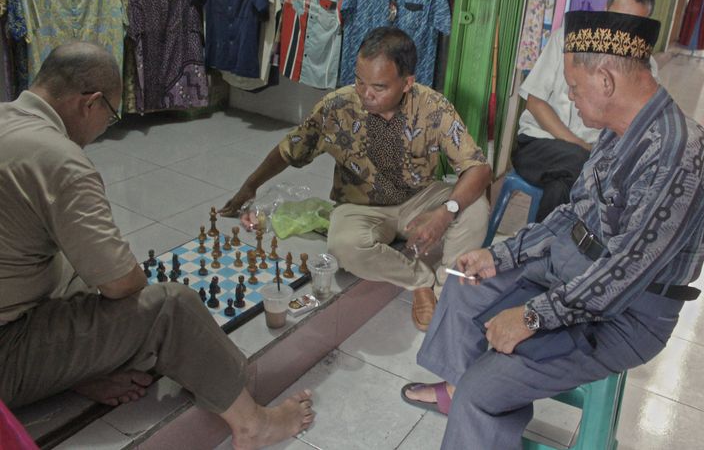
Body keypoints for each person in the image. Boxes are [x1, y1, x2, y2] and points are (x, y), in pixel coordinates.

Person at [401, 11, 704, 449]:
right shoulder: (619, 130)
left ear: (605, 80)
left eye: (573, 86)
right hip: (575, 270)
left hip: (628, 313)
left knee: (482, 390)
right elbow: (574, 213)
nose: (569, 98)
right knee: (466, 282)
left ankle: (474, 401)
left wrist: (531, 317)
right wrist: (501, 255)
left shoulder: (677, 156)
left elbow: (623, 274)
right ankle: (467, 403)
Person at [0, 42, 314, 450]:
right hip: (9, 352)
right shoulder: (59, 159)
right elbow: (122, 285)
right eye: (111, 115)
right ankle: (253, 423)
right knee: (170, 307)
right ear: (90, 103)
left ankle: (77, 373)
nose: (105, 128)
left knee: (72, 264)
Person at [221, 27, 492, 331]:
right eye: (360, 81)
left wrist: (444, 213)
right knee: (343, 246)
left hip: (419, 199)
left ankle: (448, 288)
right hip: (360, 206)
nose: (366, 94)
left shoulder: (432, 107)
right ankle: (420, 281)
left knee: (475, 207)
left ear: (407, 83)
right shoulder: (338, 106)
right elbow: (290, 149)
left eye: (379, 87)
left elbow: (480, 169)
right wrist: (250, 185)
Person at [512, 0, 659, 222]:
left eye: (633, 25)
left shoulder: (645, 66)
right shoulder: (568, 40)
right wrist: (579, 144)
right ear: (606, 9)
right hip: (539, 143)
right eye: (617, 18)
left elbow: (637, 124)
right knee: (585, 167)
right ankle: (556, 240)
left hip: (593, 154)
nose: (622, 30)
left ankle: (544, 241)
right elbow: (535, 104)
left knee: (564, 185)